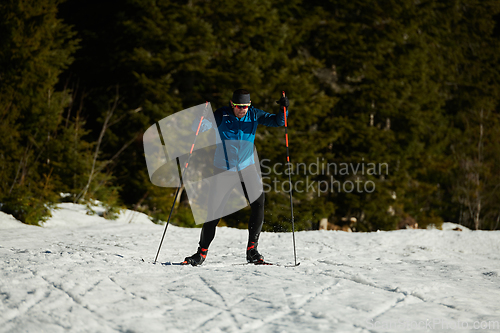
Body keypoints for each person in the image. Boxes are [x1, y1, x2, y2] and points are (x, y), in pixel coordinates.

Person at [182, 89, 289, 266]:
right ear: (232, 104)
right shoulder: (221, 115)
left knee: (259, 203)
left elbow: (278, 122)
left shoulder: (254, 114)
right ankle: (201, 253)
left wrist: (284, 109)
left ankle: (252, 251)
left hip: (247, 169)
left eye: (246, 106)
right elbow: (199, 129)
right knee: (214, 214)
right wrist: (199, 117)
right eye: (239, 106)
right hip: (223, 170)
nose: (243, 110)